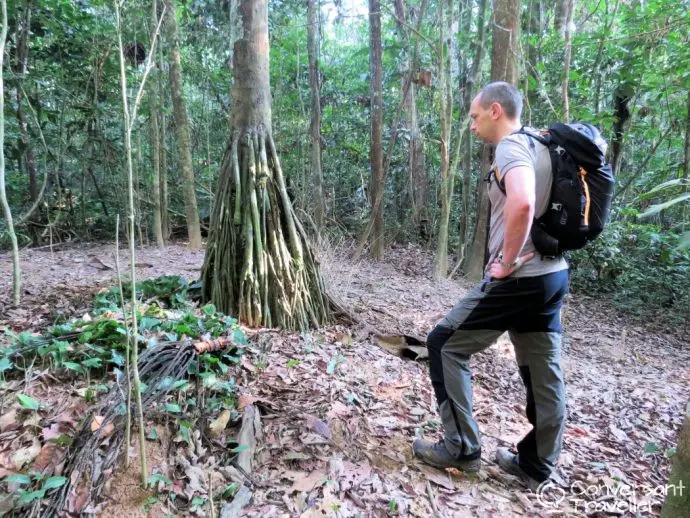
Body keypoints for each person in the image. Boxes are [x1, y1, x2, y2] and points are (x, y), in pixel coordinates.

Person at [412, 81, 569, 491]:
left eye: (475, 116)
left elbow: (521, 202)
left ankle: (462, 449)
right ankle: (536, 465)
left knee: (443, 343)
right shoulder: (543, 145)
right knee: (542, 371)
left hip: (520, 278)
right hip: (552, 275)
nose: (472, 125)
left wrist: (505, 261)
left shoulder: (511, 147)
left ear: (495, 110)